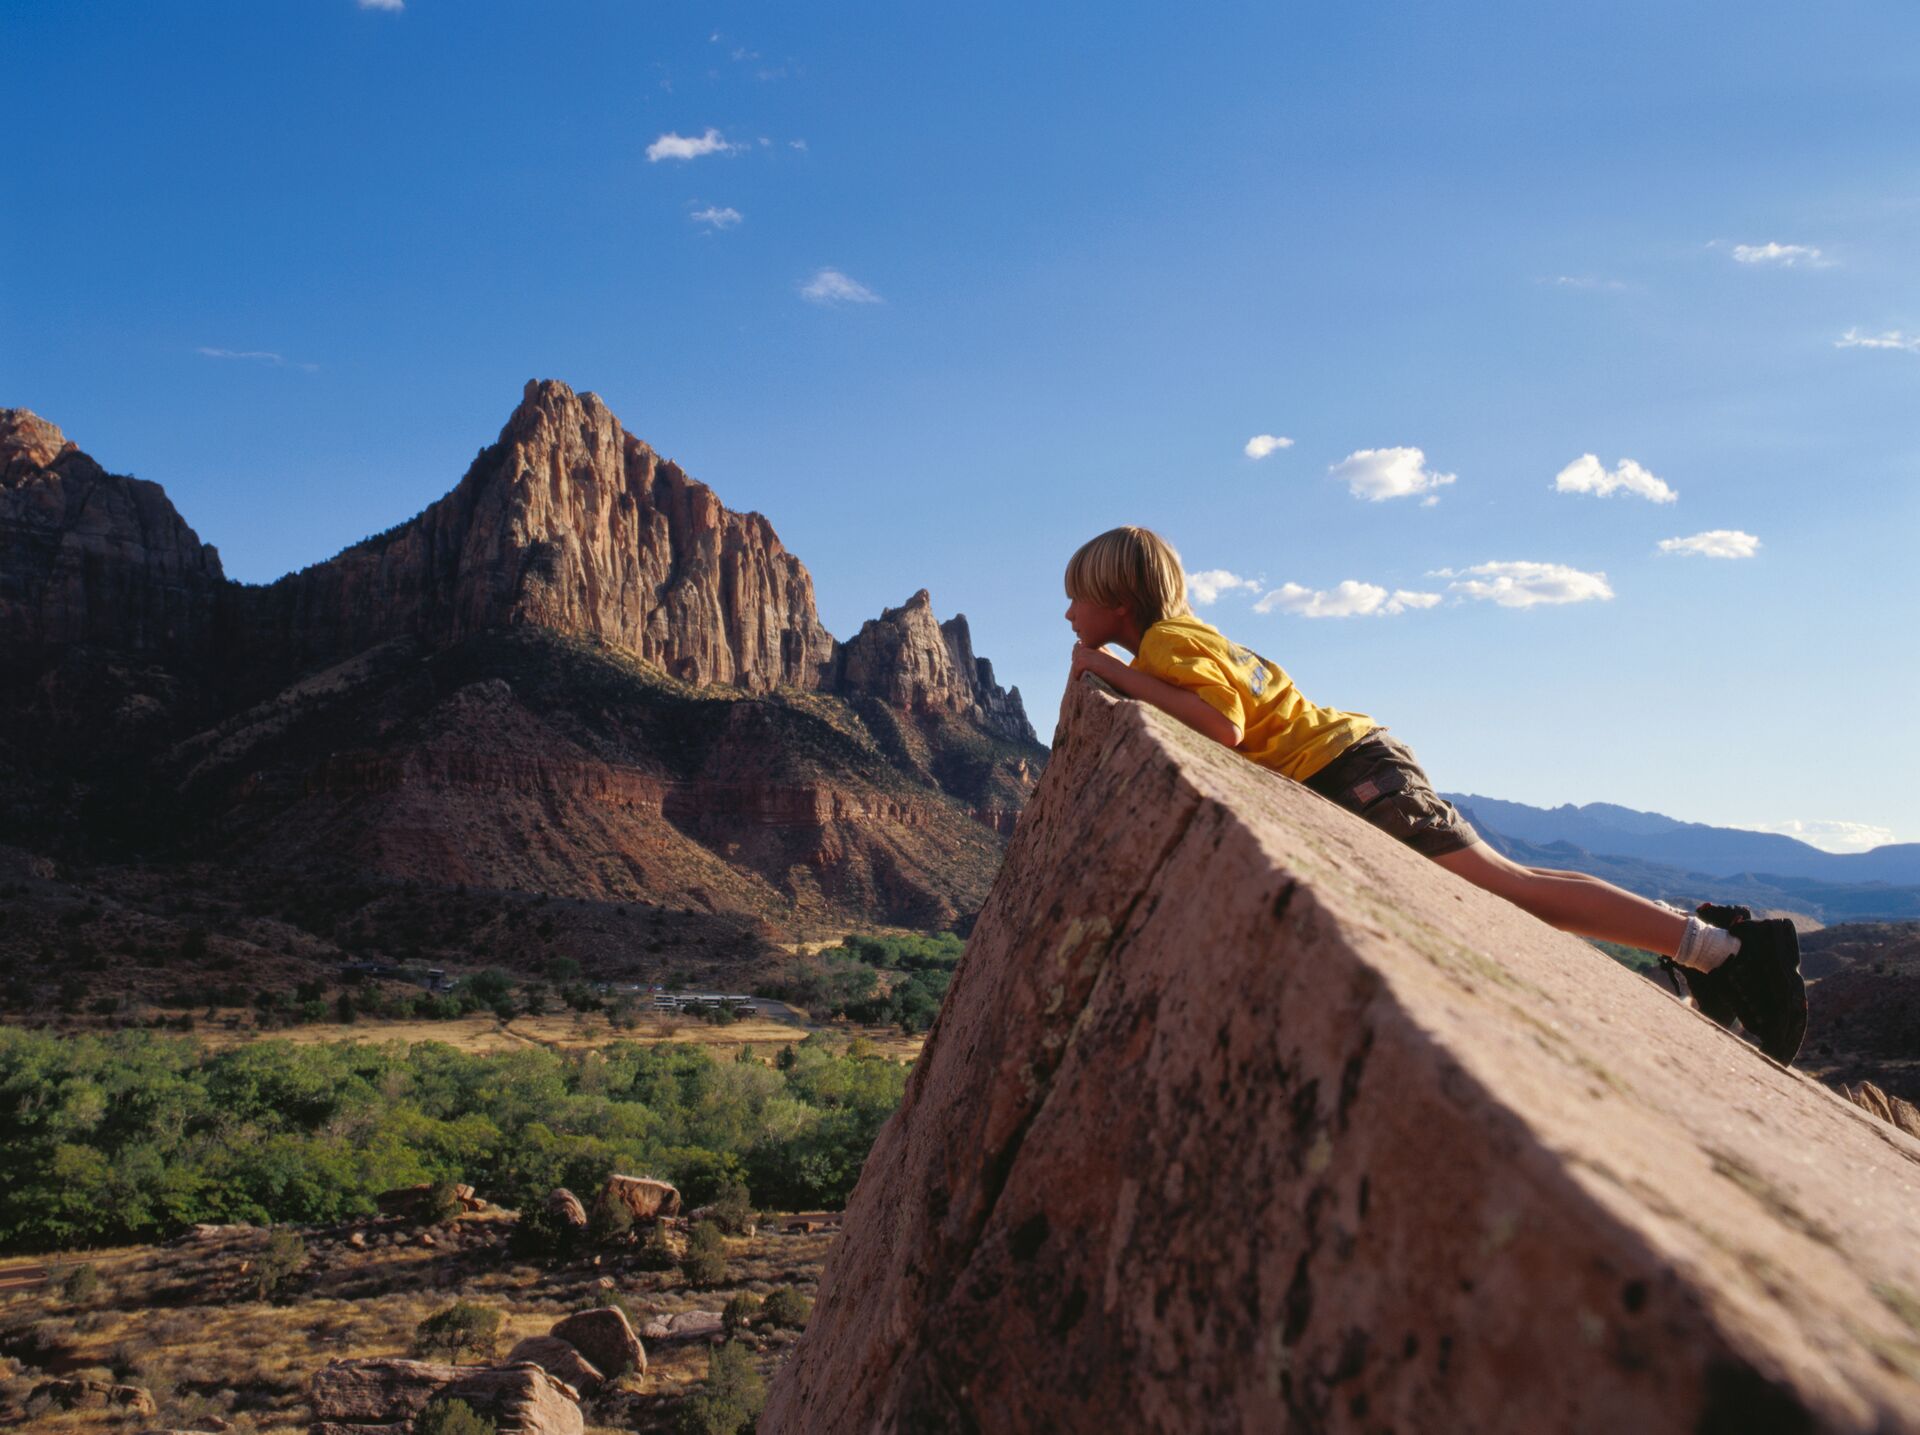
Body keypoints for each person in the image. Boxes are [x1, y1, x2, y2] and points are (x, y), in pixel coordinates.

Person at [1063, 525, 1807, 1065]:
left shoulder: (1162, 646)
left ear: (1117, 603)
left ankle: (1727, 953)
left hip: (1351, 774)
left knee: (1516, 891)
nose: (1069, 617)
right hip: (1360, 759)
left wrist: (1103, 670)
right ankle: (1711, 937)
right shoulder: (1193, 635)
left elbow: (1220, 728)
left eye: (1077, 602)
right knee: (1523, 882)